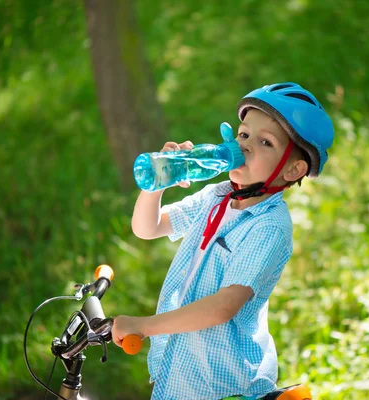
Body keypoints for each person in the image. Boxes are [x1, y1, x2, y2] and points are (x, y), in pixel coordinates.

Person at [111, 82, 334, 400]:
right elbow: (148, 228)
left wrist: (144, 326)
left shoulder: (269, 227)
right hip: (179, 377)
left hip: (221, 385)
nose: (245, 147)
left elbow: (223, 307)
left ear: (292, 169)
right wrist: (157, 184)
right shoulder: (216, 197)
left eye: (265, 143)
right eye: (243, 135)